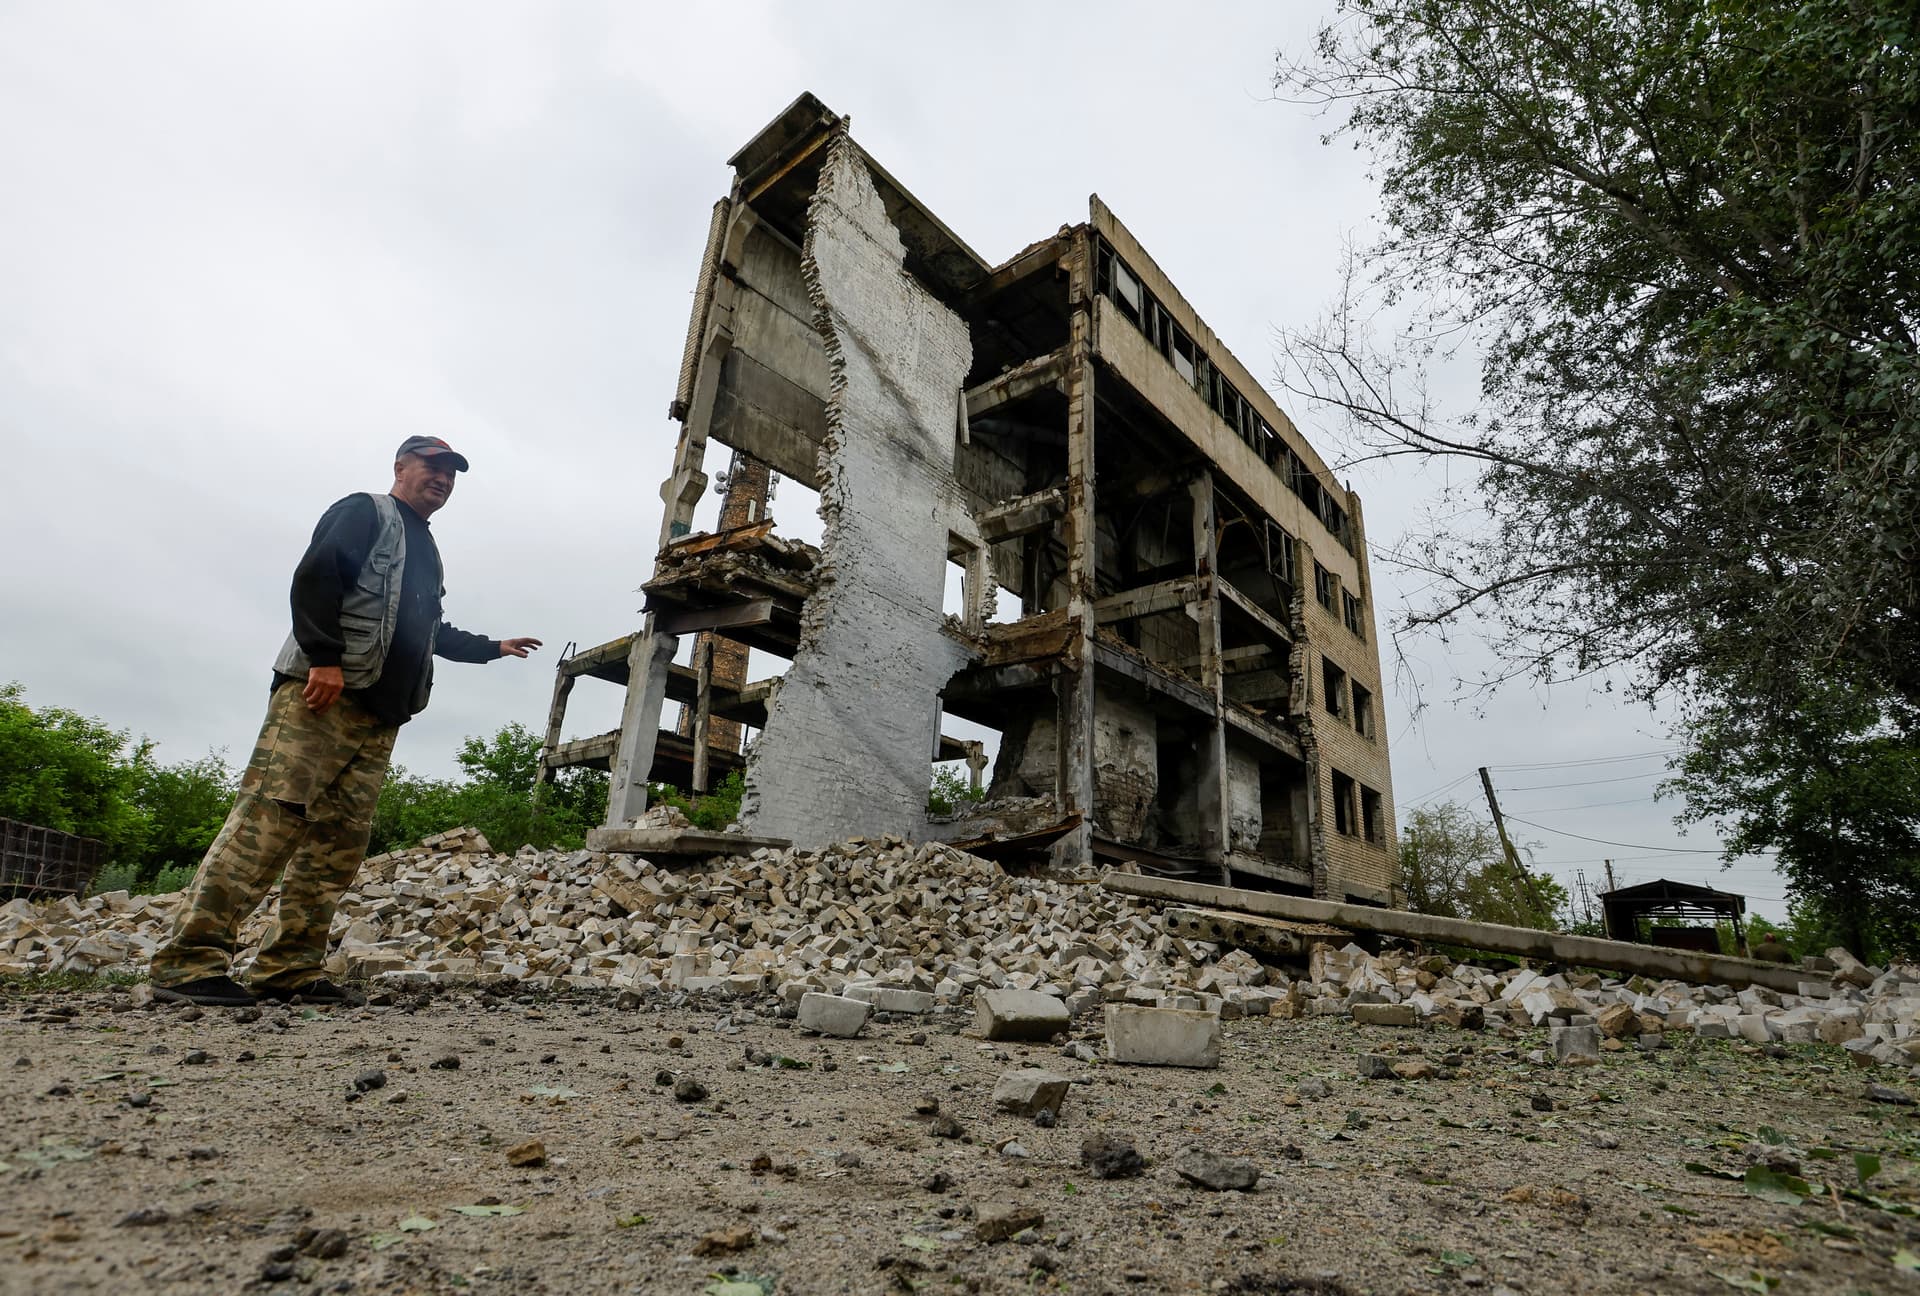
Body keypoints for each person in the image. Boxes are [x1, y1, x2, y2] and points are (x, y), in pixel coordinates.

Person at [148, 437, 541, 1006]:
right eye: (433, 466)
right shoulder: (365, 511)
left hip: (379, 717)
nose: (443, 478)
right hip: (323, 696)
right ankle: (187, 964)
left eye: (452, 472)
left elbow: (426, 631)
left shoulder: (426, 547)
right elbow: (316, 579)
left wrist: (492, 646)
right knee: (269, 821)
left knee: (336, 844)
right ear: (401, 467)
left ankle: (288, 971)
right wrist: (325, 658)